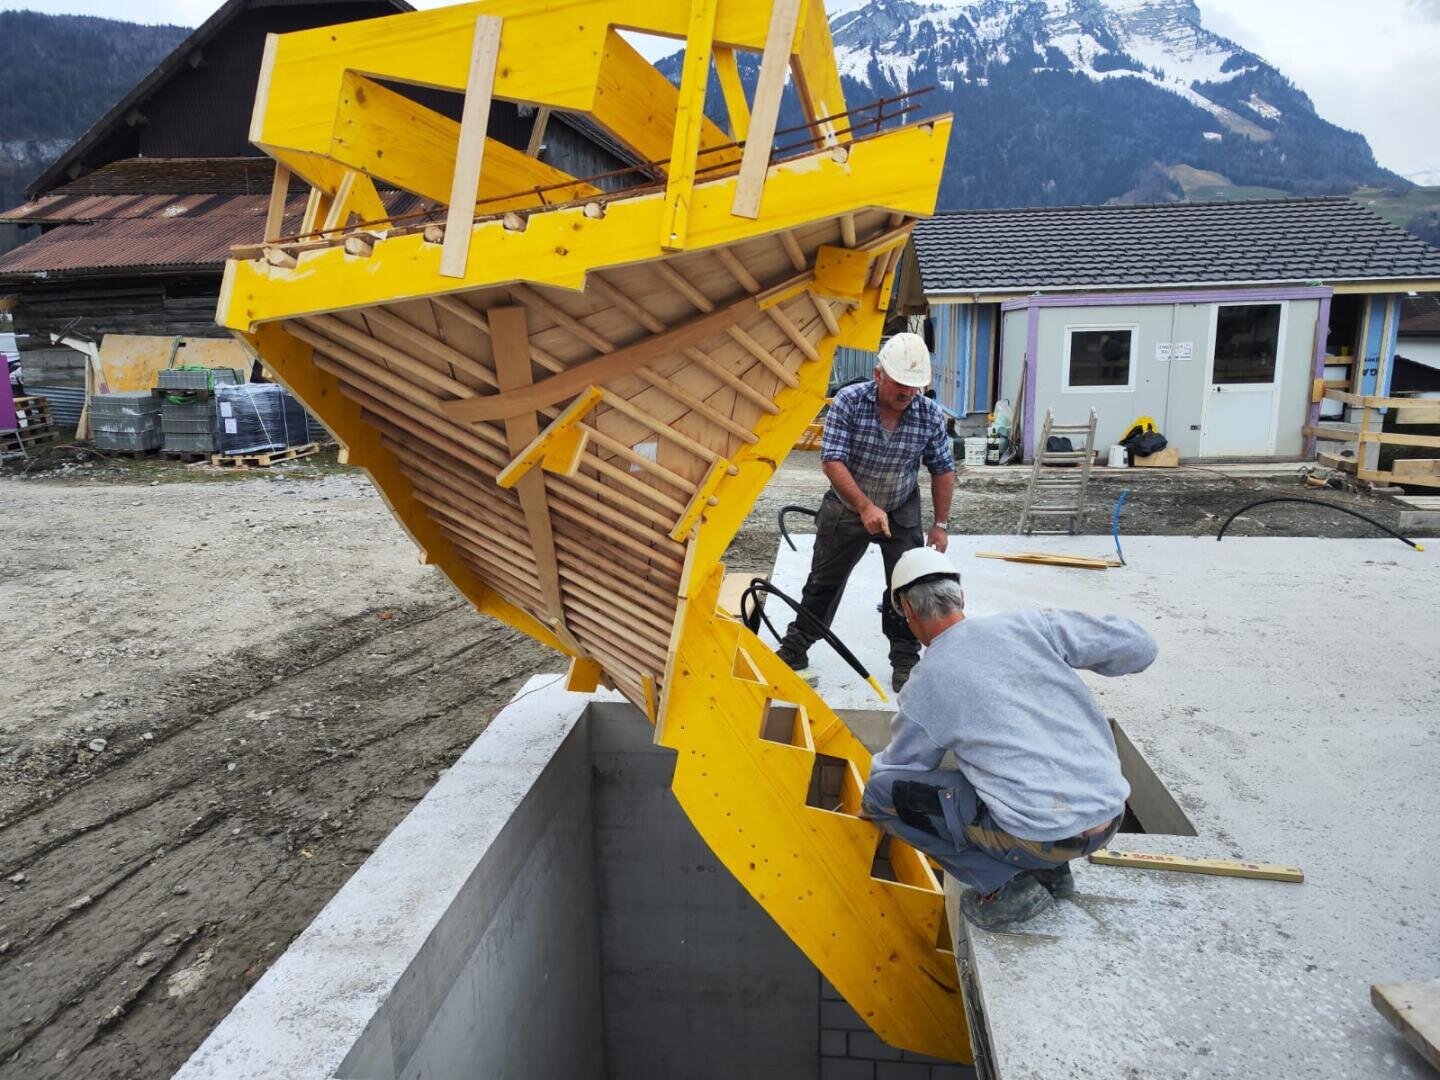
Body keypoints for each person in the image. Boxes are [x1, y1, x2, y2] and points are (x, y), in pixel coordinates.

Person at [861, 547, 1158, 930]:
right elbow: (1140, 648)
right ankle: (1052, 875)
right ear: (960, 596)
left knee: (883, 795)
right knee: (1005, 768)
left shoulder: (926, 683)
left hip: (1040, 837)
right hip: (1109, 815)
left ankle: (1005, 886)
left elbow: (902, 769)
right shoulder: (1031, 625)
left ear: (906, 610)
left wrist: (871, 807)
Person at [774, 333, 954, 691]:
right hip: (846, 507)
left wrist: (940, 524)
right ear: (879, 375)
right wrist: (865, 506)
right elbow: (832, 460)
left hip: (901, 507)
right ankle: (795, 649)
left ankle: (905, 660)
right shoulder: (849, 401)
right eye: (900, 385)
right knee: (824, 582)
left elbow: (942, 468)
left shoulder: (929, 414)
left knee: (908, 585)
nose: (906, 393)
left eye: (913, 387)